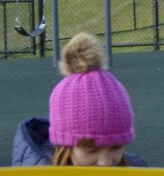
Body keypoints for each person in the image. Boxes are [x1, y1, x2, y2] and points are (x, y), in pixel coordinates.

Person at [12, 33, 145, 166]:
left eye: (116, 147)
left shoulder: (137, 173)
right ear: (64, 147)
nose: (105, 163)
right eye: (91, 151)